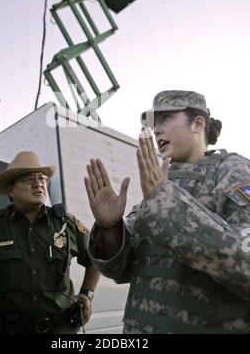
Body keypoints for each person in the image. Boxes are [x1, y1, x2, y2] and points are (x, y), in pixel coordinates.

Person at [84, 90, 250, 334]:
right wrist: (111, 228)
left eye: (165, 119)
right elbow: (121, 269)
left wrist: (165, 202)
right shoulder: (163, 183)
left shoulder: (232, 170)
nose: (155, 130)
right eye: (153, 125)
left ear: (198, 123)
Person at [0, 151, 100, 334]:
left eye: (42, 178)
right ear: (11, 190)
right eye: (28, 179)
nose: (38, 183)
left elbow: (96, 257)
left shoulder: (66, 224)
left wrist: (87, 294)